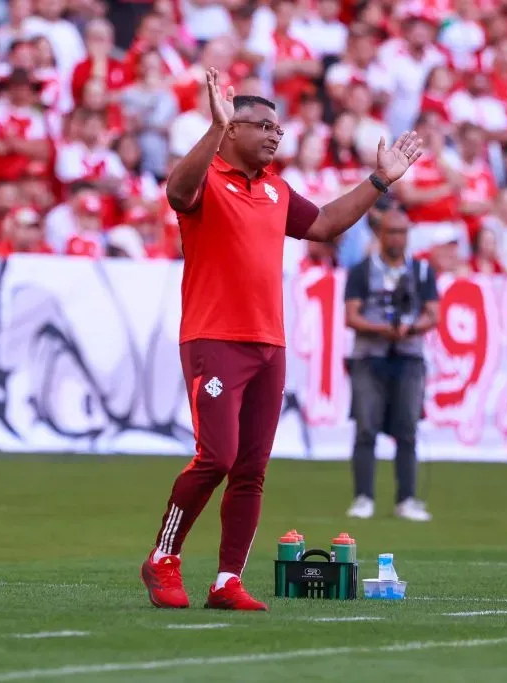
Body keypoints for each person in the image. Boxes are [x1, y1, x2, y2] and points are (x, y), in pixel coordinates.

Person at [140, 68, 424, 611]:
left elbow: (323, 226)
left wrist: (379, 181)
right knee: (216, 457)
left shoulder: (275, 189)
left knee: (251, 469)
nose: (274, 135)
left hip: (269, 344)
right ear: (230, 130)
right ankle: (162, 557)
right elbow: (177, 192)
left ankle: (227, 581)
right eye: (262, 126)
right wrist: (211, 129)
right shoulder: (206, 178)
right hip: (213, 338)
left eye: (279, 129)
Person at [343, 196, 439, 522]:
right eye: (391, 232)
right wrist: (382, 329)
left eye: (401, 232)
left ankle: (407, 498)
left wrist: (410, 329)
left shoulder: (423, 271)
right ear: (381, 234)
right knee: (365, 428)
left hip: (409, 357)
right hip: (369, 356)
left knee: (408, 429)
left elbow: (432, 315)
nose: (396, 238)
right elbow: (351, 316)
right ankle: (363, 497)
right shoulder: (361, 270)